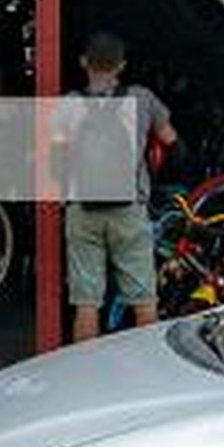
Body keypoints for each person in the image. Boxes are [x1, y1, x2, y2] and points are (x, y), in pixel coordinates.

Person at [50, 29, 175, 342]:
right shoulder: (142, 98)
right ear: (121, 65)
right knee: (145, 301)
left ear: (83, 62)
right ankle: (148, 377)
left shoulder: (69, 104)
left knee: (87, 303)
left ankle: (87, 376)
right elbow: (171, 139)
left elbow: (56, 157)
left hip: (83, 209)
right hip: (130, 209)